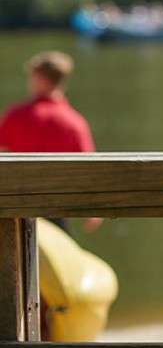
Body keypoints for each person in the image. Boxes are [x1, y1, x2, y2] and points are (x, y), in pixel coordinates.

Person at [0, 52, 101, 233]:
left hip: (17, 213)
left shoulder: (16, 116)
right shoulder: (74, 122)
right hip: (56, 214)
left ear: (39, 78)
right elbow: (89, 171)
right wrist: (93, 212)